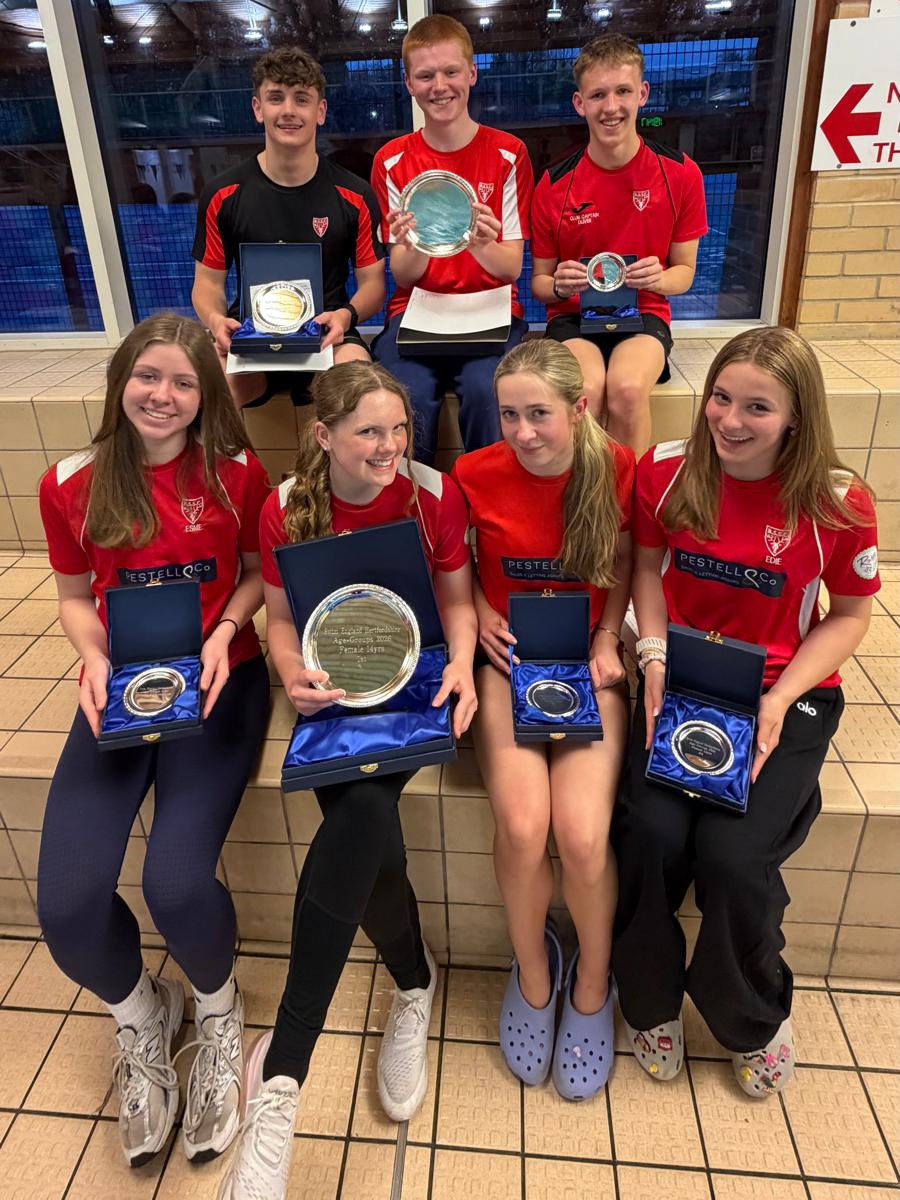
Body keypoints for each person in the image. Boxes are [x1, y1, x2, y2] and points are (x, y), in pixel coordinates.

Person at [218, 363, 477, 1200]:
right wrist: (289, 673)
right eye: (370, 431)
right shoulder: (287, 504)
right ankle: (413, 982)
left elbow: (458, 600)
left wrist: (462, 664)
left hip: (415, 685)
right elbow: (281, 616)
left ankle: (283, 1070)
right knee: (368, 831)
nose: (390, 446)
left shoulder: (431, 495)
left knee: (361, 813)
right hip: (333, 688)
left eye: (399, 429)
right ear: (323, 435)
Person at [613, 327, 879, 1097]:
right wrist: (652, 654)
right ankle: (649, 999)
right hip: (684, 678)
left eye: (757, 407)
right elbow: (647, 571)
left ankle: (750, 1014)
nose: (729, 420)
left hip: (784, 690)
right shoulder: (666, 471)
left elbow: (849, 616)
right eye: (721, 399)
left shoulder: (837, 501)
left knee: (733, 857)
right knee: (650, 834)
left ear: (796, 416)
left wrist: (781, 696)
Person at [36, 312, 271, 1168]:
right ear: (120, 381)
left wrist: (225, 632)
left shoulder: (237, 474)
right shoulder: (70, 481)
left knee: (174, 882)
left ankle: (217, 1012)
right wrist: (95, 658)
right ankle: (142, 1015)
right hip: (122, 687)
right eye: (147, 376)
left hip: (217, 681)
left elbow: (257, 575)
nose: (162, 395)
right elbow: (73, 595)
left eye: (183, 382)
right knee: (66, 906)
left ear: (206, 396)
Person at [450, 340, 633, 1099]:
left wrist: (607, 635)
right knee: (525, 827)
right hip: (511, 660)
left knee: (583, 834)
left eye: (539, 415)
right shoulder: (473, 474)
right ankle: (533, 971)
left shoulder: (617, 468)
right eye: (509, 415)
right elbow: (455, 569)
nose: (522, 432)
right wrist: (483, 614)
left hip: (588, 661)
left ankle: (592, 981)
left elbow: (627, 561)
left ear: (579, 409)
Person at [530, 33, 707, 457]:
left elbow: (684, 273)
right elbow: (539, 283)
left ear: (642, 94)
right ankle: (584, 492)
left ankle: (629, 494)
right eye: (598, 95)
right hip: (573, 318)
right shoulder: (554, 184)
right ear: (580, 103)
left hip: (643, 312)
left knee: (626, 389)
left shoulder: (680, 174)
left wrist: (658, 279)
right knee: (585, 391)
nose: (611, 107)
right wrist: (560, 285)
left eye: (623, 91)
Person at [371, 14, 534, 464]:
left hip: (490, 310)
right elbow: (404, 277)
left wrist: (480, 243)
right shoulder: (391, 161)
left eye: (450, 72)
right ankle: (418, 503)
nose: (439, 86)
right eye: (425, 76)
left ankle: (484, 502)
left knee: (487, 392)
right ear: (409, 83)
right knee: (406, 399)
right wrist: (413, 245)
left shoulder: (508, 154)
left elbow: (510, 268)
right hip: (417, 312)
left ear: (472, 73)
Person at [192, 46, 385, 409]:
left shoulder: (354, 195)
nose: (289, 110)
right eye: (276, 97)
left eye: (301, 99)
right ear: (257, 108)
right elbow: (208, 284)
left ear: (320, 111)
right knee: (204, 396)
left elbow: (373, 285)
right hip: (249, 336)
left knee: (358, 393)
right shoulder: (223, 194)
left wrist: (345, 316)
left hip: (328, 334)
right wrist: (217, 321)